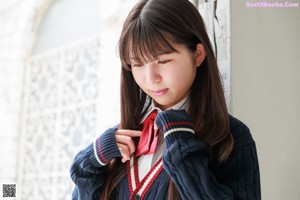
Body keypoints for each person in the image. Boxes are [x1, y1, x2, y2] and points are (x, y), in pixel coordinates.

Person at [70, 0, 261, 199]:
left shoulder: (231, 138)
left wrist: (182, 148)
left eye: (163, 61)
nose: (151, 78)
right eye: (138, 64)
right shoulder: (123, 139)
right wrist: (90, 163)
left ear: (197, 55)